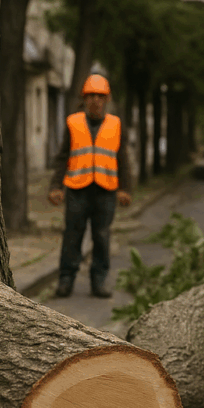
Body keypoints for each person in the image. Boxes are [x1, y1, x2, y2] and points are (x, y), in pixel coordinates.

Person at [48, 74, 133, 298]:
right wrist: (56, 186)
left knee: (102, 237)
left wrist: (126, 189)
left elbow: (122, 158)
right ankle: (66, 279)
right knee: (72, 235)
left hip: (105, 190)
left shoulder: (115, 125)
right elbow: (63, 156)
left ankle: (99, 281)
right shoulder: (73, 123)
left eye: (100, 96)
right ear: (84, 98)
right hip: (77, 189)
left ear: (107, 99)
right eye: (91, 96)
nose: (95, 100)